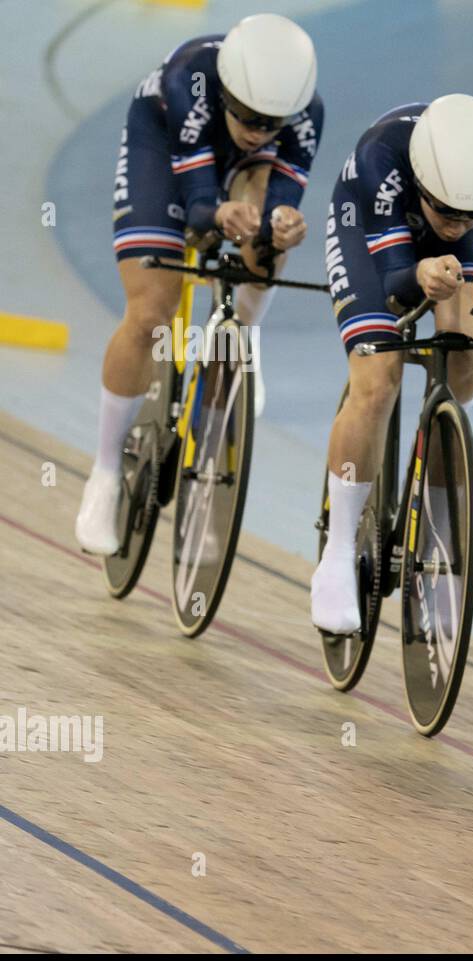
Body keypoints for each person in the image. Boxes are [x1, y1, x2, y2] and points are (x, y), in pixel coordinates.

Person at [75, 14, 323, 555]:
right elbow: (197, 206)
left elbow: (282, 202)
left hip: (241, 172)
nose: (259, 130)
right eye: (249, 117)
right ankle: (104, 472)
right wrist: (215, 215)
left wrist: (282, 224)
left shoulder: (305, 116)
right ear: (229, 92)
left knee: (266, 233)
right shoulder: (189, 75)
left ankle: (244, 335)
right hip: (162, 147)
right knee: (149, 315)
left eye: (271, 123)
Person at [310, 94, 473, 633]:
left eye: (468, 215)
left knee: (464, 365)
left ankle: (434, 516)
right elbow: (392, 283)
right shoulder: (380, 157)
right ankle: (337, 553)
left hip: (458, 260)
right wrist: (419, 276)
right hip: (372, 238)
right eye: (446, 212)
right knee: (377, 381)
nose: (456, 224)